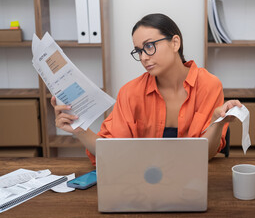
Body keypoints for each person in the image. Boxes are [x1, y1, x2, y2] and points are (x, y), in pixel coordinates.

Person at [51, 13, 242, 166]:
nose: (143, 57)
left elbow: (206, 154)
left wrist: (218, 122)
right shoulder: (130, 92)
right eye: (139, 50)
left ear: (175, 43)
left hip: (193, 180)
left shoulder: (209, 85)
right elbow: (112, 151)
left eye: (149, 46)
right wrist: (79, 129)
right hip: (144, 182)